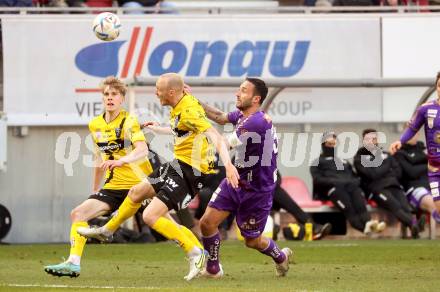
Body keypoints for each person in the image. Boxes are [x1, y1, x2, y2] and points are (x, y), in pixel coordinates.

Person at [78, 73, 239, 281]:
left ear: (171, 92)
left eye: (158, 89)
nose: (155, 92)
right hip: (177, 164)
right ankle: (108, 230)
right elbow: (180, 130)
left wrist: (228, 166)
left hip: (192, 172)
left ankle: (196, 253)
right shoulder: (178, 104)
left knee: (150, 216)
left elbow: (216, 137)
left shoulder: (189, 110)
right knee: (136, 192)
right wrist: (158, 129)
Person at [44, 76, 154, 277]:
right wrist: (95, 189)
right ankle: (73, 262)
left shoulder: (129, 121)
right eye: (106, 94)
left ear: (122, 98)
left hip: (141, 185)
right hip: (113, 186)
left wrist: (122, 161)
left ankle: (197, 252)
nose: (109, 98)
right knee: (78, 214)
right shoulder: (95, 125)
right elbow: (98, 159)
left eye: (114, 94)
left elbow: (143, 150)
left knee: (163, 222)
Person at [198, 78, 293, 278]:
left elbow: (224, 143)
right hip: (237, 180)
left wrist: (199, 133)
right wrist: (190, 101)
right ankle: (213, 269)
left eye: (243, 90)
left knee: (252, 241)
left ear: (256, 98)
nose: (237, 93)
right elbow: (219, 116)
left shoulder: (256, 122)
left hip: (257, 190)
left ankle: (280, 256)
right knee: (206, 223)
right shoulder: (243, 115)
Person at [310, 131, 386, 235]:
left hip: (350, 188)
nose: (332, 147)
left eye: (334, 144)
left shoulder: (343, 161)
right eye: (329, 144)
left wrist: (353, 182)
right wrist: (335, 182)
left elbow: (354, 176)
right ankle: (368, 229)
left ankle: (369, 225)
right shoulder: (317, 162)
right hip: (333, 190)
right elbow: (317, 180)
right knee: (350, 210)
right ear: (323, 145)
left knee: (361, 206)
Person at [390, 72, 440, 213]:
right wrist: (400, 141)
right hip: (435, 168)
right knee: (438, 207)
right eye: (439, 85)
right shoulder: (425, 109)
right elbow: (412, 128)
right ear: (436, 87)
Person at [355, 129, 419, 238]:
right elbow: (372, 175)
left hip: (393, 185)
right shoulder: (360, 158)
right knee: (395, 206)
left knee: (405, 207)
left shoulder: (385, 154)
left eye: (374, 138)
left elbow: (398, 172)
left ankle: (415, 230)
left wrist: (382, 167)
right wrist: (386, 165)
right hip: (377, 189)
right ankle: (415, 224)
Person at [393, 133, 440, 223]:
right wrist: (428, 166)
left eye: (415, 133)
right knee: (433, 203)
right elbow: (411, 172)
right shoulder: (399, 152)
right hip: (414, 189)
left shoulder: (424, 150)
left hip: (432, 185)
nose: (412, 135)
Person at [272, 171, 332, 240]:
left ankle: (313, 228)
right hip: (259, 196)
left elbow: (278, 177)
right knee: (276, 193)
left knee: (277, 193)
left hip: (269, 194)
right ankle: (314, 227)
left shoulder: (269, 163)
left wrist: (270, 186)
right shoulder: (258, 164)